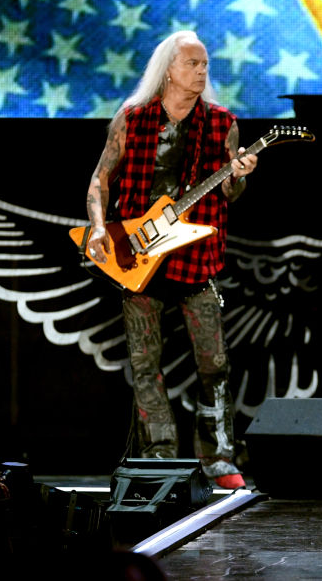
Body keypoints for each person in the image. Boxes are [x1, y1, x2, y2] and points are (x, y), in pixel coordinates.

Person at [84, 31, 257, 490]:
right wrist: (100, 226)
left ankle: (220, 458)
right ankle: (159, 455)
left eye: (205, 64)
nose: (202, 71)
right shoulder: (133, 120)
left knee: (214, 363)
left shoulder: (222, 124)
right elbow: (100, 181)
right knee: (145, 364)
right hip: (137, 259)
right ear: (168, 69)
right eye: (193, 64)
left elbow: (229, 194)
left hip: (197, 261)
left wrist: (237, 177)